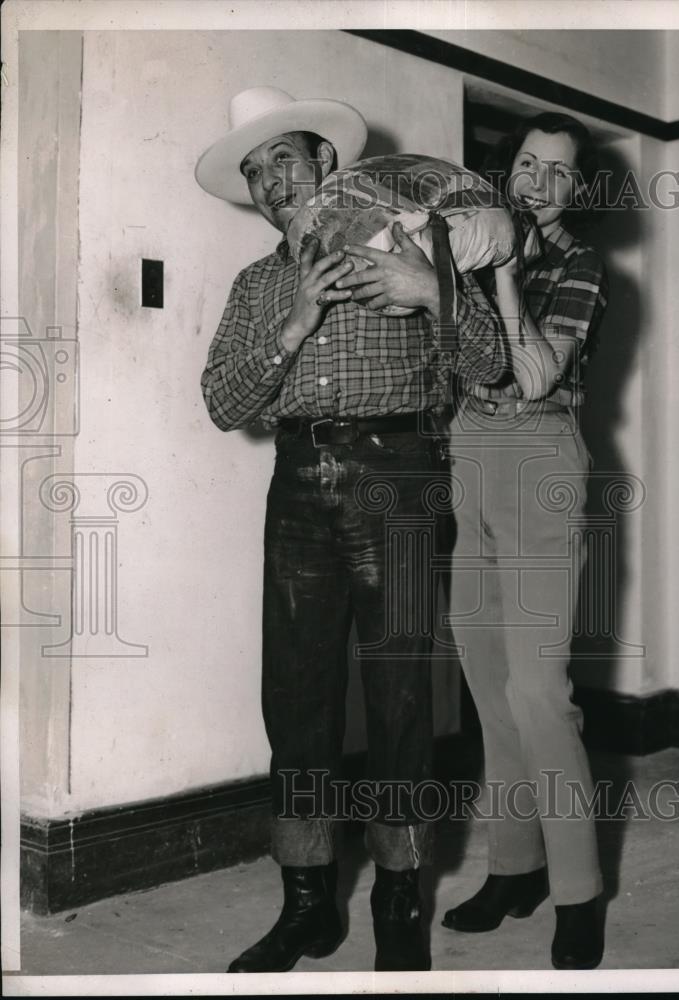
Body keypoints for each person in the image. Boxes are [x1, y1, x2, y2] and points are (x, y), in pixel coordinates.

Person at [195, 86, 506, 973]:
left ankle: (399, 899)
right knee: (294, 699)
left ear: (329, 164)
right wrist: (295, 322)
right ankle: (307, 907)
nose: (269, 182)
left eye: (282, 160)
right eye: (253, 172)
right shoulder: (258, 283)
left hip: (400, 482)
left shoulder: (412, 247)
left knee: (403, 699)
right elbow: (222, 404)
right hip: (297, 486)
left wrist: (430, 289)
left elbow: (492, 367)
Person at [441, 112, 609, 970]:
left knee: (541, 694)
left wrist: (505, 274)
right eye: (528, 166)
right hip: (470, 448)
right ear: (509, 171)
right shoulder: (466, 242)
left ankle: (577, 893)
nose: (538, 184)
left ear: (577, 189)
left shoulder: (581, 266)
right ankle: (514, 868)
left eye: (559, 173)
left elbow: (536, 368)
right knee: (488, 684)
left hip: (541, 449)